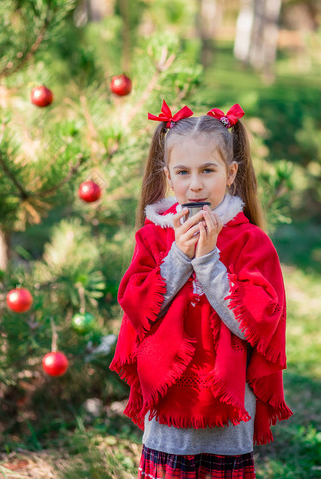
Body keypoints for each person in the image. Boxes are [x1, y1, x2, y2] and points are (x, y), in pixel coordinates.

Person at [110, 100, 292, 479]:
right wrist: (179, 255)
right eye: (183, 172)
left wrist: (209, 261)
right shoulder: (153, 237)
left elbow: (253, 326)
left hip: (228, 405)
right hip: (169, 403)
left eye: (208, 170)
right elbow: (140, 310)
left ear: (230, 174)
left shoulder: (251, 242)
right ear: (168, 177)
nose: (195, 184)